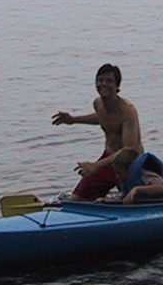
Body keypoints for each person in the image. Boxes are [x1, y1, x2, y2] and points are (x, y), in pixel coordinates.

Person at [51, 63, 143, 201]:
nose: (103, 84)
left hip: (128, 163)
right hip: (108, 159)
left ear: (117, 86)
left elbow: (128, 150)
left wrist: (96, 165)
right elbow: (102, 118)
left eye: (109, 81)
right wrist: (73, 120)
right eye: (100, 80)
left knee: (133, 200)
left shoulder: (127, 110)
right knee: (76, 199)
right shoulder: (98, 104)